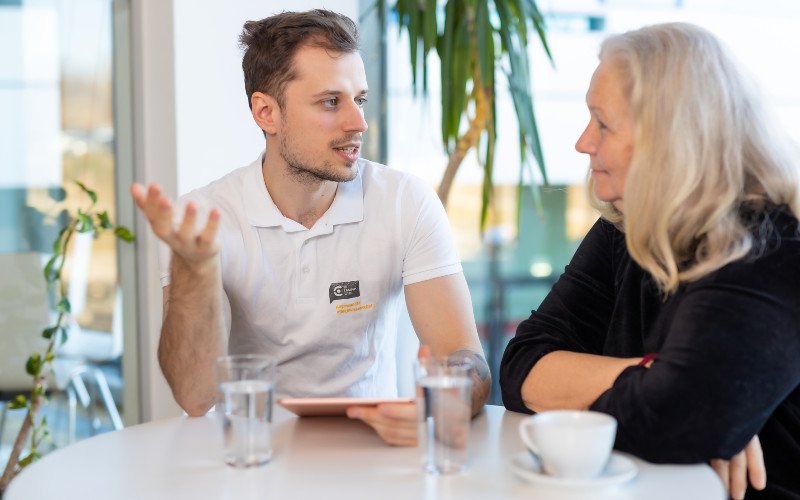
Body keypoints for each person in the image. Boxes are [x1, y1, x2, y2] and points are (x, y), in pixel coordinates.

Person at [130, 9, 490, 446]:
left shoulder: (405, 201)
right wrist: (195, 267)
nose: (358, 123)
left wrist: (443, 399)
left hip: (374, 451)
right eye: (330, 102)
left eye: (359, 99)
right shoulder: (203, 219)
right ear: (267, 113)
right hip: (251, 456)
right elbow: (195, 397)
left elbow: (463, 356)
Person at [499, 23, 800, 500]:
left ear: (672, 137)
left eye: (602, 122)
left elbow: (674, 417)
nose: (582, 142)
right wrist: (660, 374)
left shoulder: (773, 243)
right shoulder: (625, 223)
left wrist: (678, 400)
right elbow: (521, 365)